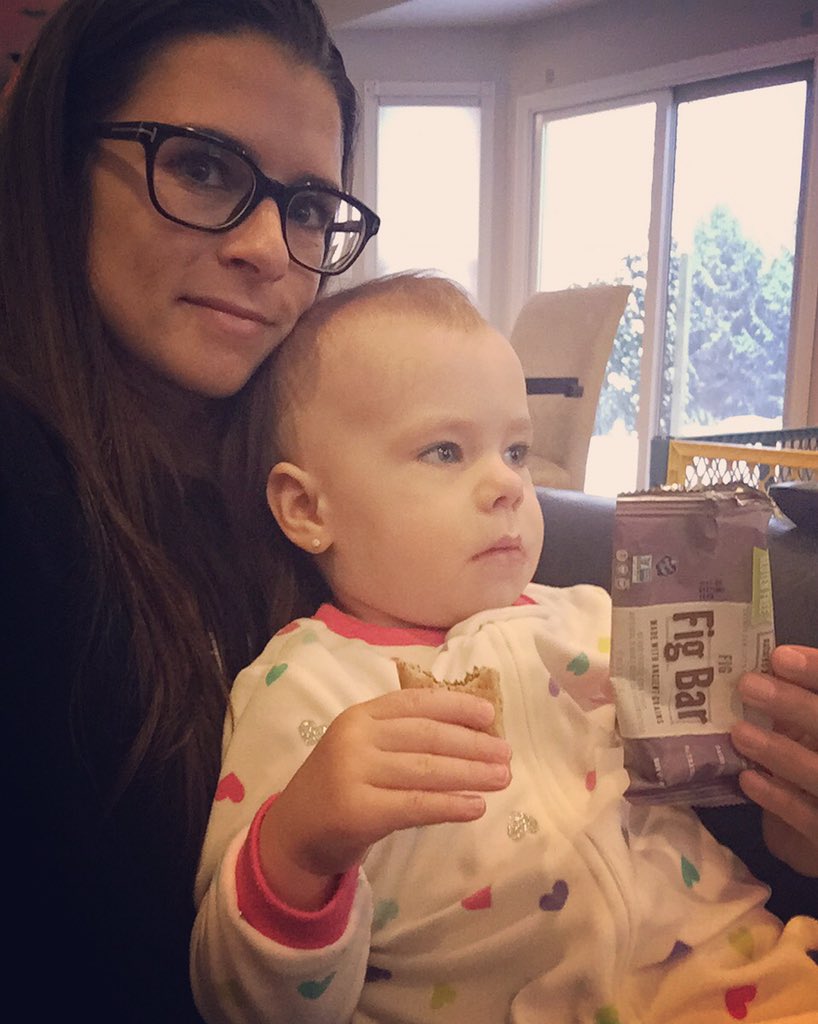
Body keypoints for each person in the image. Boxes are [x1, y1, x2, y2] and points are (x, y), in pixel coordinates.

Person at [191, 273, 818, 1023]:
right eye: (444, 451)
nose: (509, 485)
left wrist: (774, 759)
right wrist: (297, 852)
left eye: (516, 450)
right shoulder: (301, 685)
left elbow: (727, 777)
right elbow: (239, 1003)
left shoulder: (595, 619)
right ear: (307, 508)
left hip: (741, 974)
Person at [0, 1, 379, 1020]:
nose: (268, 249)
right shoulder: (26, 489)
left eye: (309, 207)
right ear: (57, 168)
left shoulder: (314, 491)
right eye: (204, 168)